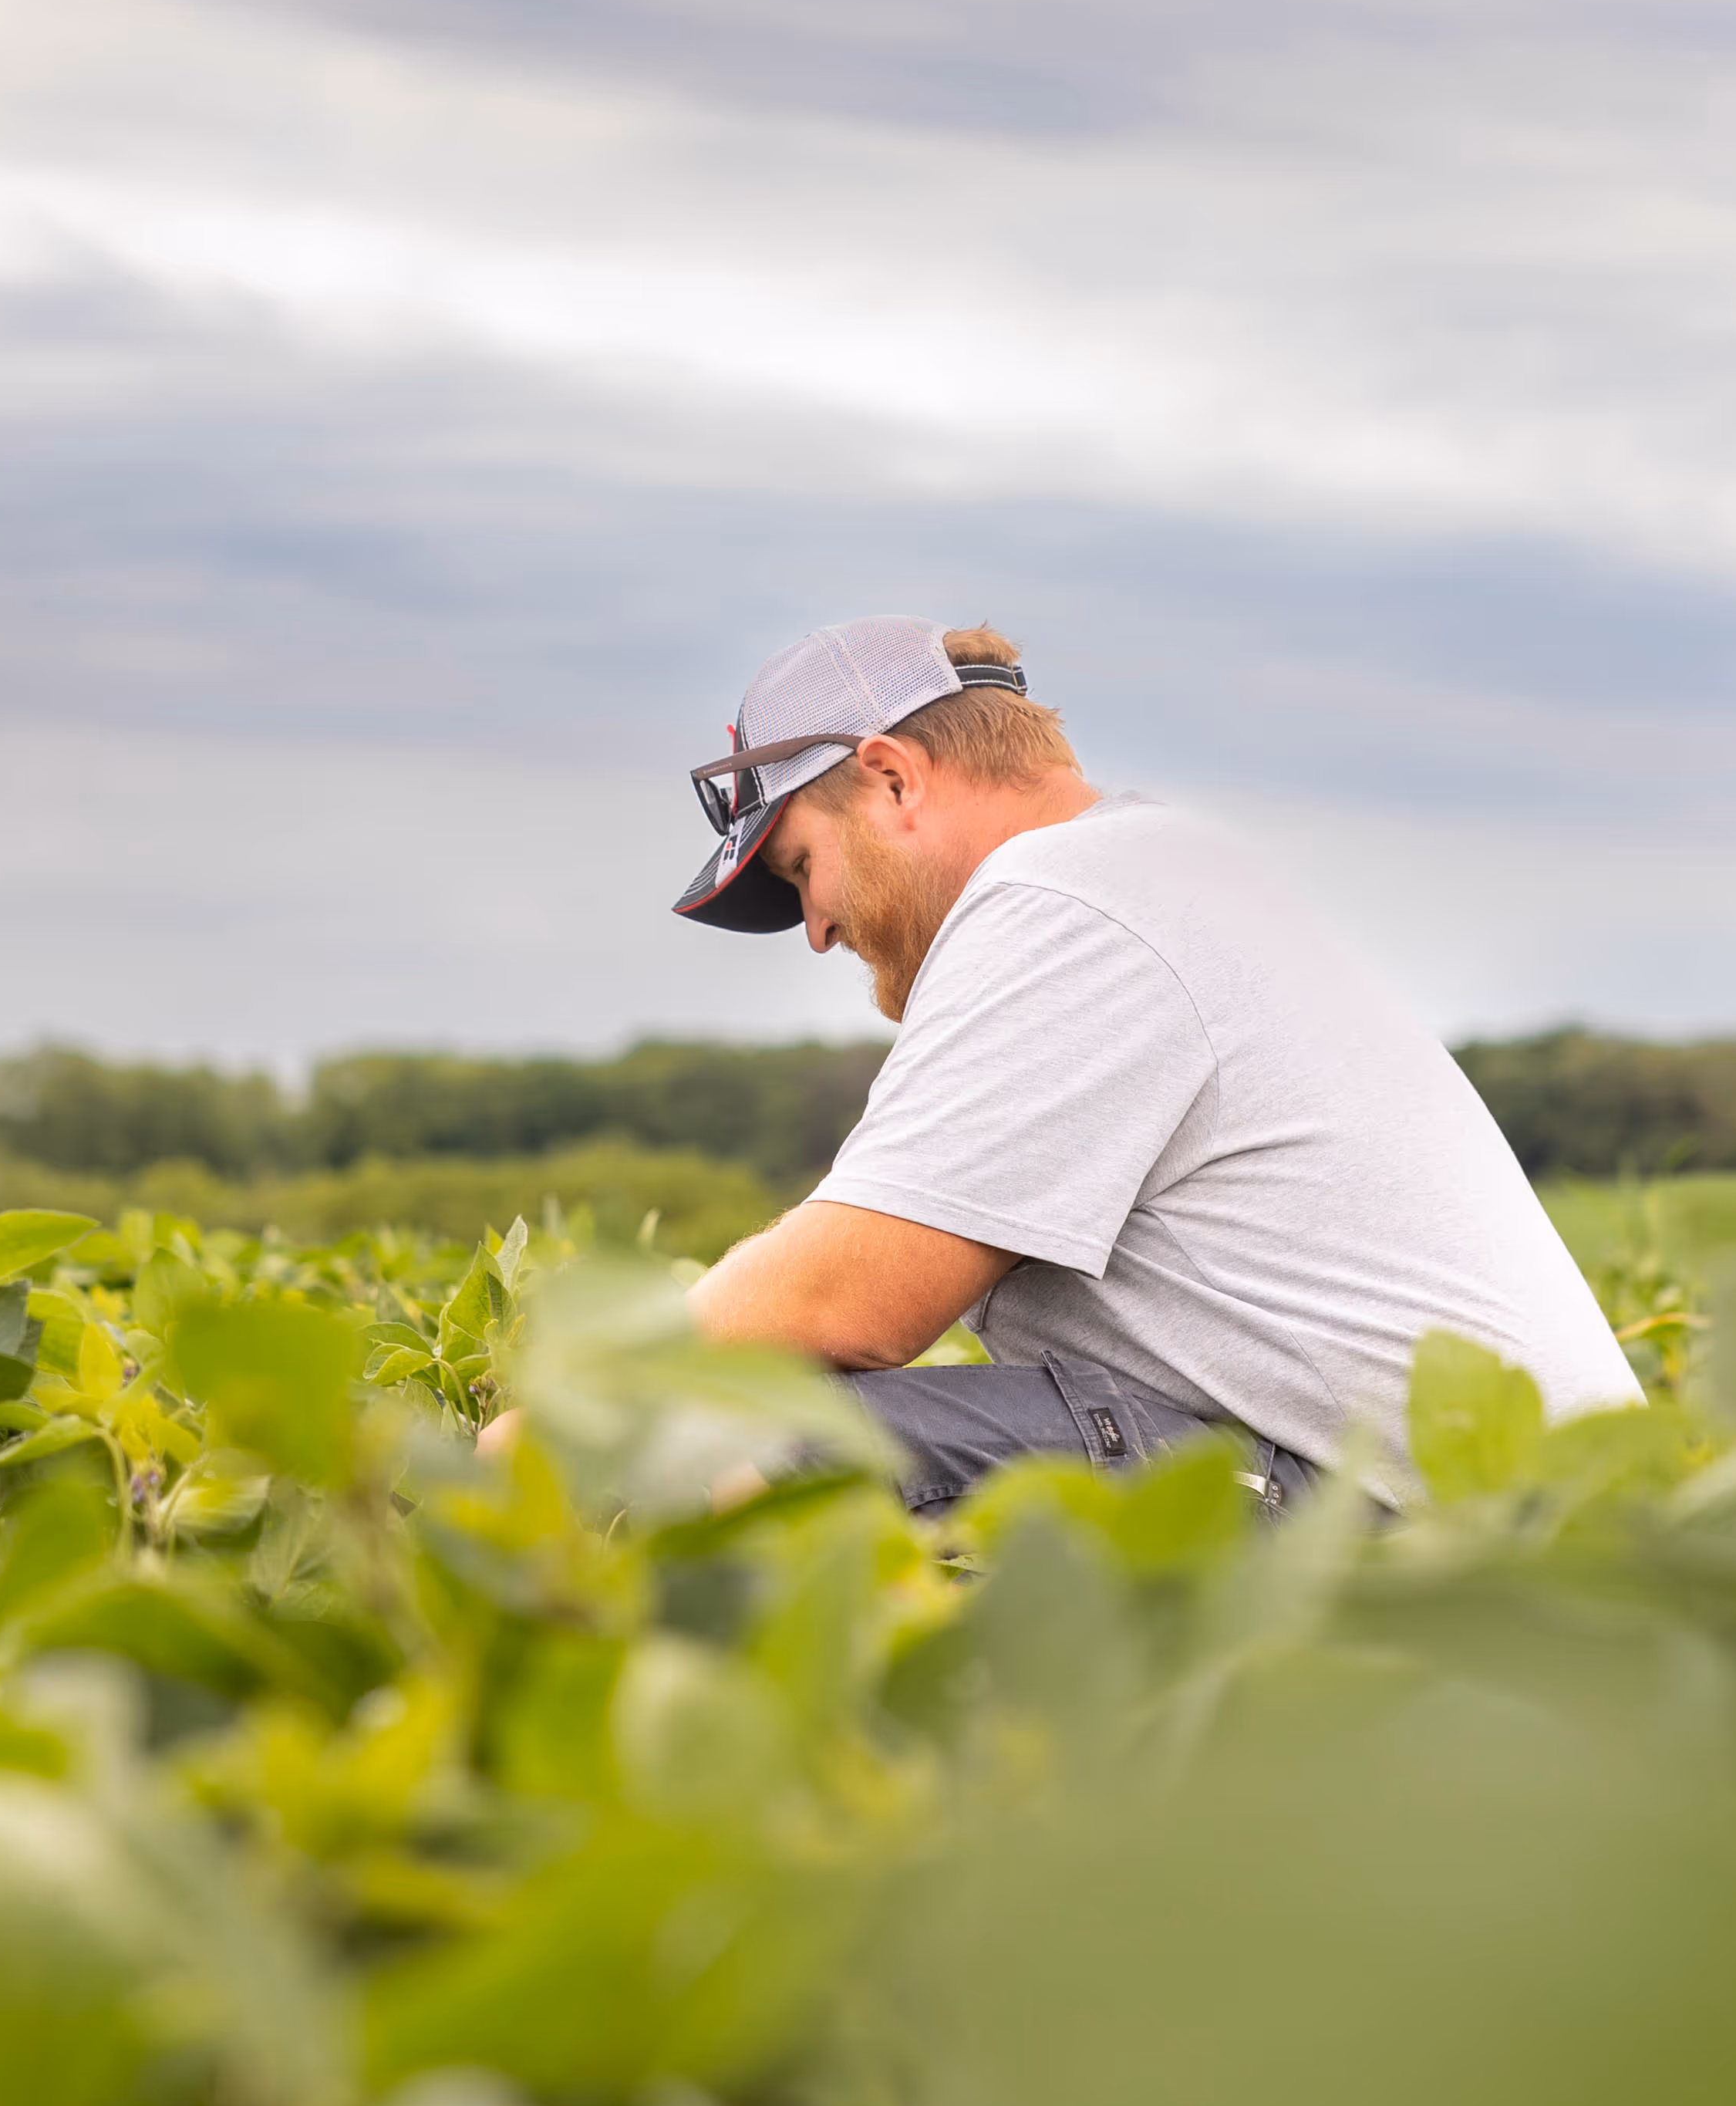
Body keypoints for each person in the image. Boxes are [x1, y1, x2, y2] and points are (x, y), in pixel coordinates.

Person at [662, 614, 1641, 1508]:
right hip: (1478, 1511)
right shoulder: (1149, 874)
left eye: (801, 869)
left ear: (892, 779)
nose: (819, 931)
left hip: (1448, 1536)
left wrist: (593, 1401)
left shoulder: (1069, 900)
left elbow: (852, 1296)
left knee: (735, 1451)